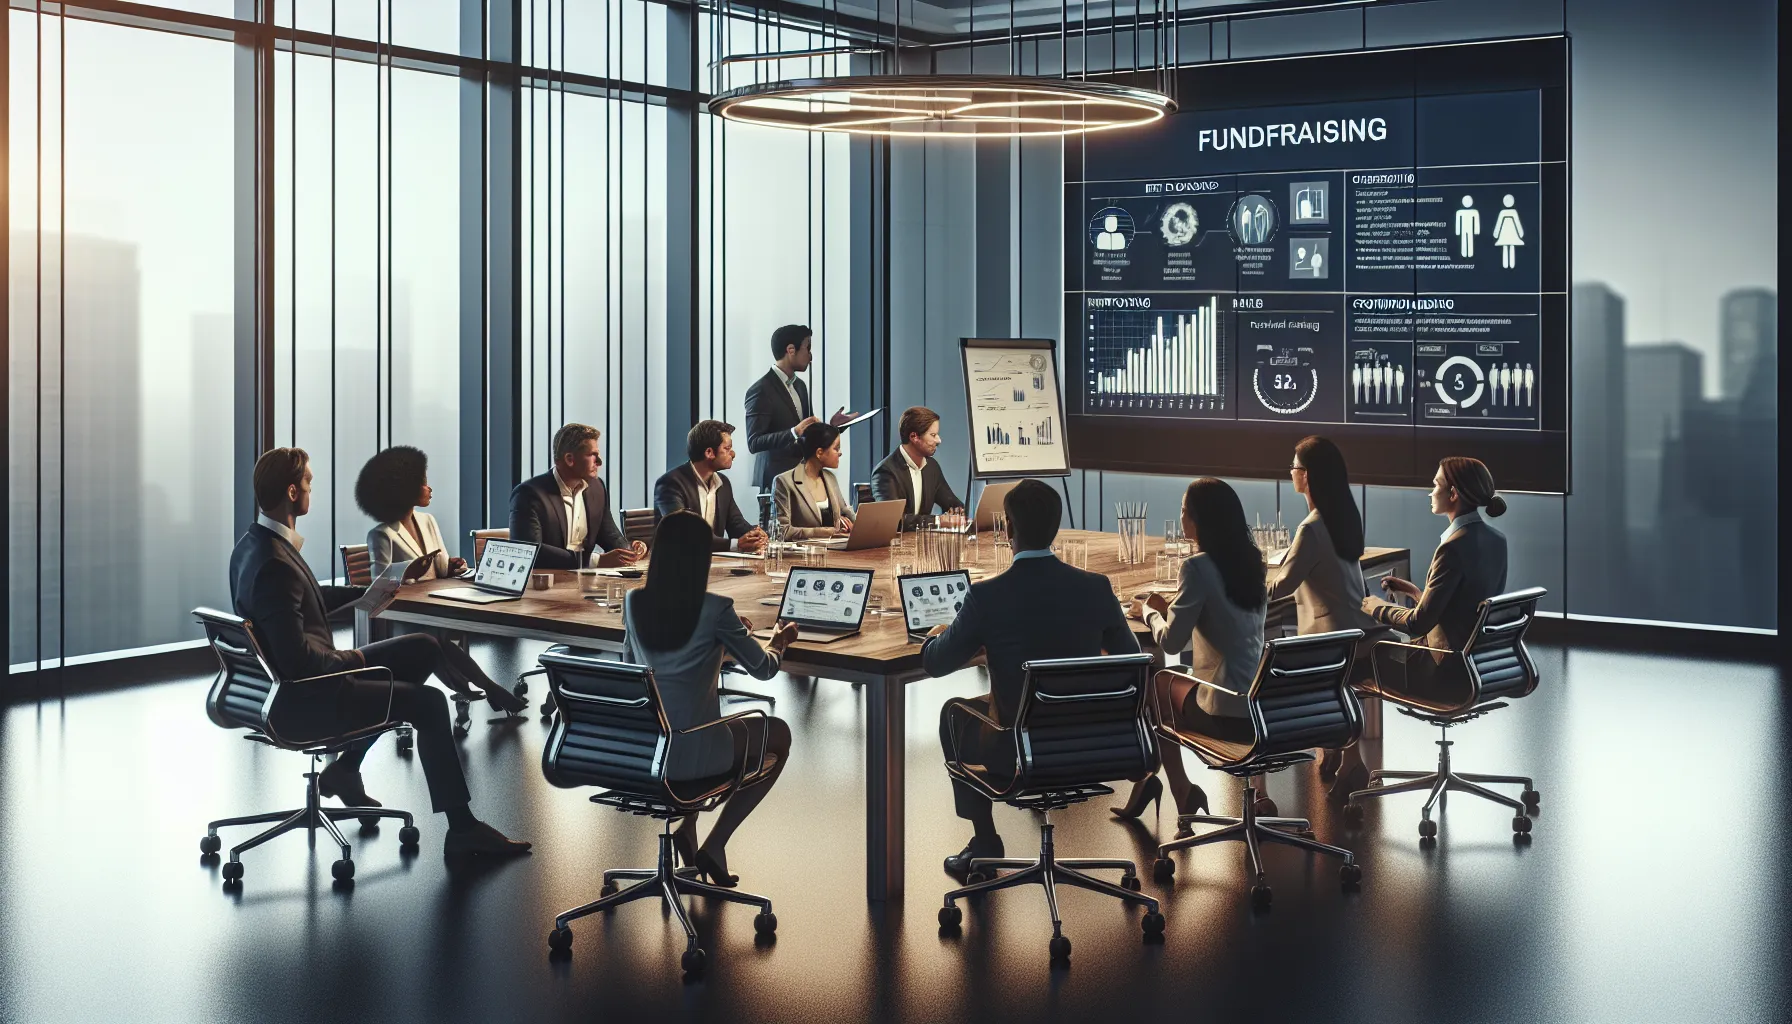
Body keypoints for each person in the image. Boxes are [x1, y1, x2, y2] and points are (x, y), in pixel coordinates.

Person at [229, 448, 530, 858]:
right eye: (309, 483)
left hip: (293, 686)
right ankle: (462, 831)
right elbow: (301, 661)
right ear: (291, 491)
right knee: (428, 702)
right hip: (309, 696)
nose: (311, 489)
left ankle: (346, 769)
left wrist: (364, 595)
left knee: (424, 646)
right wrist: (361, 660)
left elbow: (299, 601)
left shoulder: (254, 546)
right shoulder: (275, 564)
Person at [921, 479, 1140, 876]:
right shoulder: (1096, 587)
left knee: (954, 713)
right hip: (1090, 747)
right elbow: (1131, 661)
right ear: (1056, 527)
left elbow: (936, 663)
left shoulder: (987, 596)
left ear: (1007, 529)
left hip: (1019, 753)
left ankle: (986, 841)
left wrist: (937, 637)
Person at [622, 511, 799, 886]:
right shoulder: (716, 609)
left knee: (688, 714)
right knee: (778, 734)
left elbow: (631, 669)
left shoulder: (634, 602)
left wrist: (723, 641)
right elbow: (765, 669)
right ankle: (715, 843)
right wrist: (779, 641)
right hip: (692, 752)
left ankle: (687, 828)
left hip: (643, 750)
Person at [1116, 478, 1268, 822]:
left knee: (1157, 683)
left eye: (1184, 510)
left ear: (1200, 520)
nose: (1181, 516)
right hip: (1261, 710)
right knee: (1173, 680)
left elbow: (1170, 642)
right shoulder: (1251, 562)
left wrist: (1149, 612)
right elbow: (1223, 615)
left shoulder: (1196, 567)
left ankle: (1179, 788)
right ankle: (1255, 792)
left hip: (1225, 713)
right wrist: (1172, 606)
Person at [1268, 436, 1387, 800]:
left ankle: (1349, 759)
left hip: (1336, 642)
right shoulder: (1343, 516)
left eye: (1294, 466)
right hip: (1363, 633)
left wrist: (1235, 588)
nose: (1290, 472)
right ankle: (1340, 753)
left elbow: (1281, 587)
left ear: (1307, 476)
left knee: (1279, 671)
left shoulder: (1311, 529)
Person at [1361, 457, 1509, 704]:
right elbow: (1463, 607)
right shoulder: (1496, 540)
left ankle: (1341, 737)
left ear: (1453, 494)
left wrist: (1375, 607)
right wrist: (1416, 593)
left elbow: (1418, 624)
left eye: (1436, 485)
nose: (1430, 493)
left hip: (1442, 672)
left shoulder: (1452, 548)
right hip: (1476, 663)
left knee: (1358, 660)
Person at [508, 423, 646, 571]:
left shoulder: (597, 487)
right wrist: (596, 561)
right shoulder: (528, 494)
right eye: (592, 455)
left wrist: (630, 550)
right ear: (569, 459)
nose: (599, 462)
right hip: (548, 585)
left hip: (588, 581)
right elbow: (529, 551)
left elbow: (609, 534)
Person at [744, 324, 854, 492]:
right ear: (790, 350)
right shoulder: (761, 389)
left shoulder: (800, 386)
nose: (810, 356)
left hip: (804, 477)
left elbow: (808, 433)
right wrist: (793, 432)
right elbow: (754, 442)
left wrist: (833, 426)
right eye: (807, 348)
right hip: (776, 482)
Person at [654, 419, 768, 553]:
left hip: (712, 564)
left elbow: (736, 523)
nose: (733, 454)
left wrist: (754, 534)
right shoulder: (671, 483)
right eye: (727, 448)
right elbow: (685, 533)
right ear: (709, 453)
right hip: (676, 565)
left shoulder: (723, 483)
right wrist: (735, 544)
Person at [357, 445, 464, 582]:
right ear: (406, 487)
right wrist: (408, 570)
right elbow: (379, 582)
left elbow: (442, 570)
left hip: (436, 597)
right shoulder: (381, 534)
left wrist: (452, 566)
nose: (429, 488)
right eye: (424, 482)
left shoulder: (428, 520)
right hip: (407, 602)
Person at [871, 406, 964, 529]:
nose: (939, 440)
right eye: (933, 435)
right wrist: (938, 520)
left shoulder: (932, 467)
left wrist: (960, 513)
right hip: (896, 546)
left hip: (922, 543)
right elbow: (894, 520)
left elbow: (952, 503)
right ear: (914, 437)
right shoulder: (885, 472)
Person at [772, 422, 854, 540]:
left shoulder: (830, 478)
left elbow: (845, 512)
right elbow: (782, 532)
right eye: (836, 448)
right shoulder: (784, 482)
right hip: (803, 555)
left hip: (836, 552)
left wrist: (860, 526)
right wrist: (826, 532)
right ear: (819, 453)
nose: (840, 453)